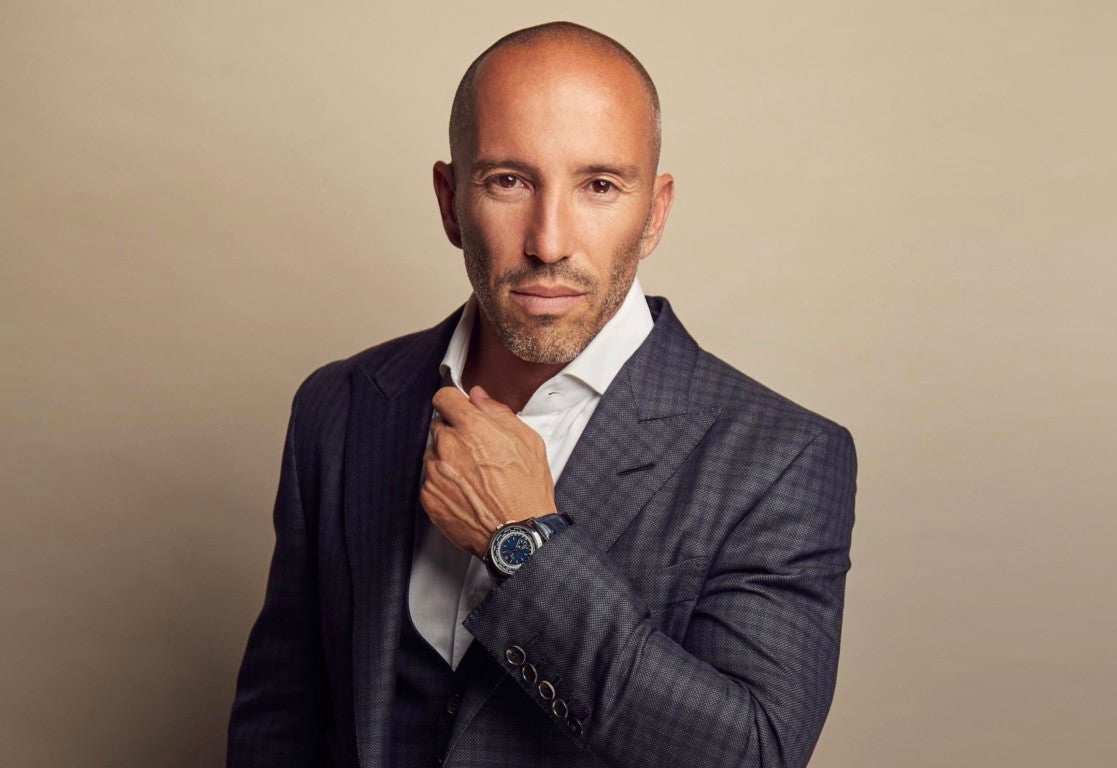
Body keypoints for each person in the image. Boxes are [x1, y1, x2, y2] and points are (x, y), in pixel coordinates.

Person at [227, 21, 857, 768]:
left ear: (654, 213)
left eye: (599, 186)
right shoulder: (339, 406)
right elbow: (280, 720)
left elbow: (752, 754)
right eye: (509, 181)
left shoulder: (782, 459)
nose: (549, 242)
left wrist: (522, 542)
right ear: (449, 201)